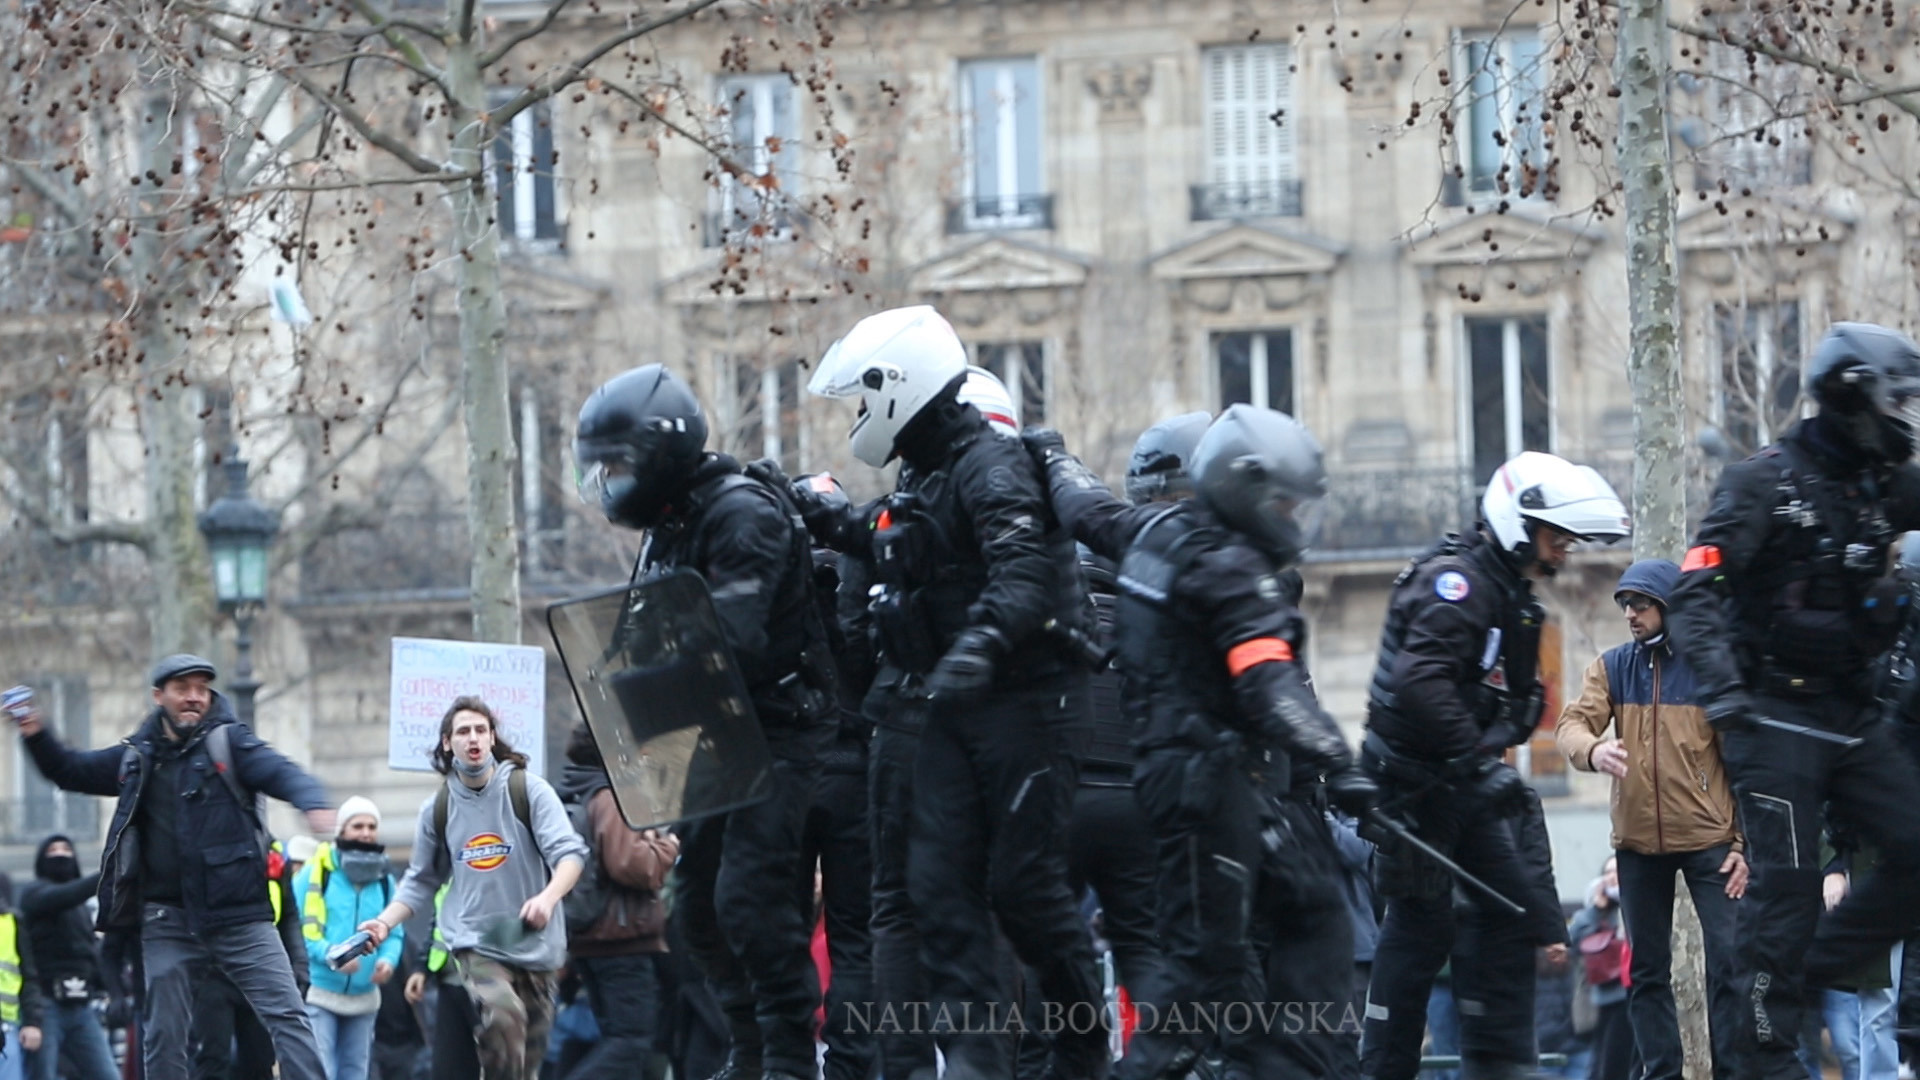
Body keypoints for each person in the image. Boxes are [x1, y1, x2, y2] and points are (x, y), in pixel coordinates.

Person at [807, 305, 1107, 1080]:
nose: (863, 415)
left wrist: (975, 647)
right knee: (933, 890)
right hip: (961, 708)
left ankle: (1083, 1053)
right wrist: (832, 521)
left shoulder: (990, 463)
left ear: (899, 384)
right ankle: (974, 1061)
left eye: (867, 397)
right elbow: (903, 547)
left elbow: (1018, 570)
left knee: (1024, 891)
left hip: (1028, 708)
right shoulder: (931, 472)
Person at [1668, 322, 1920, 1080]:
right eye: (1895, 400)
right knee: (1786, 896)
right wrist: (1725, 698)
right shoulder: (1762, 483)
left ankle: (1811, 973)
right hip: (1771, 718)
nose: (1905, 418)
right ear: (1852, 397)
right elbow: (1694, 592)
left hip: (1852, 715)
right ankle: (1766, 1058)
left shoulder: (1885, 484)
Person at [573, 363, 835, 1080]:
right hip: (720, 737)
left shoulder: (738, 512)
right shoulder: (669, 526)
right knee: (696, 911)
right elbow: (640, 634)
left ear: (662, 453)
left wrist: (641, 697)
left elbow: (735, 637)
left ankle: (788, 1058)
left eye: (619, 465)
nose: (610, 482)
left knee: (751, 901)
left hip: (783, 733)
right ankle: (747, 1055)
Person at [1359, 453, 1629, 1080]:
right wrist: (1478, 766)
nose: (1562, 552)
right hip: (1417, 793)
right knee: (1421, 928)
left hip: (1455, 787)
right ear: (1516, 524)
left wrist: (1479, 769)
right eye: (1554, 537)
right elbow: (1421, 682)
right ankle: (1386, 1069)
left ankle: (1503, 1063)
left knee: (1522, 912)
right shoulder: (1458, 586)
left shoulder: (1504, 593)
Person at [13, 654, 334, 1080]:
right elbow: (69, 770)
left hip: (240, 915)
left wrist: (311, 800)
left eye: (201, 689)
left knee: (288, 1014)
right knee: (163, 1032)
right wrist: (36, 734)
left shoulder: (230, 742)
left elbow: (279, 771)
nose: (194, 698)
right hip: (168, 918)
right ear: (158, 696)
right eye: (183, 689)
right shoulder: (136, 758)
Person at [1556, 558, 1747, 1080]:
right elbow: (1571, 725)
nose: (1630, 614)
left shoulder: (1708, 666)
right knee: (1645, 973)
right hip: (1638, 845)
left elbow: (1745, 761)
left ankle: (1732, 1071)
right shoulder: (1611, 667)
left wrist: (1742, 845)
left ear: (1668, 605)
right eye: (1624, 604)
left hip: (1713, 842)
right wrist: (1594, 752)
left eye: (1640, 603)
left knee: (1730, 964)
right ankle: (1662, 1073)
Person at [358, 697, 588, 1080]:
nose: (473, 738)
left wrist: (547, 899)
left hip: (536, 944)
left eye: (481, 729)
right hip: (475, 943)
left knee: (525, 1064)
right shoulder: (438, 808)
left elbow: (571, 855)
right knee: (502, 1016)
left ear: (492, 737)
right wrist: (383, 923)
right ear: (448, 743)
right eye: (463, 731)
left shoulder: (529, 790)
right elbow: (421, 879)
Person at [554, 722, 679, 1080]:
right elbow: (631, 864)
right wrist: (667, 845)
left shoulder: (574, 791)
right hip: (621, 939)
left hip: (591, 937)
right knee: (631, 1041)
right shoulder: (610, 795)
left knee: (619, 1040)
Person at [294, 797, 403, 1080]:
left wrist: (388, 962)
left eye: (371, 826)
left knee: (355, 1073)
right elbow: (295, 931)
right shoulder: (315, 874)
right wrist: (332, 955)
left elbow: (395, 932)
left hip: (365, 997)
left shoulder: (384, 880)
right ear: (342, 831)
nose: (366, 833)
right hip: (320, 993)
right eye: (357, 826)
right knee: (322, 1071)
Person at [19, 835, 118, 1080]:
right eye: (53, 850)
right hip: (47, 1005)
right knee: (43, 1074)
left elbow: (91, 952)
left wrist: (110, 991)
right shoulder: (33, 894)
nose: (61, 854)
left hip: (82, 1008)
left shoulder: (82, 910)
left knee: (107, 1074)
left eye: (66, 849)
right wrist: (108, 874)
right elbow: (65, 895)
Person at [1569, 859, 1633, 1080]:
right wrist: (1597, 909)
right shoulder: (1595, 911)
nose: (1612, 877)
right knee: (1603, 1066)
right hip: (1603, 1001)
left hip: (1632, 995)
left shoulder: (1636, 905)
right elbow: (1573, 941)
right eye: (1607, 872)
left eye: (1617, 871)